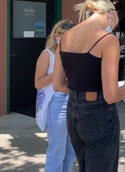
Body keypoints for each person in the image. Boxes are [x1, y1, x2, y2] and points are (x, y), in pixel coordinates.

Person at [52, 0, 125, 172]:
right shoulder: (108, 40)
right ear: (110, 15)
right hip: (98, 114)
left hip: (73, 111)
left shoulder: (65, 37)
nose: (113, 27)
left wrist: (81, 95)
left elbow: (57, 84)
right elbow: (111, 95)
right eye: (114, 23)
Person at [34, 19, 76, 172]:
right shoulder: (47, 55)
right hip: (56, 102)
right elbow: (38, 83)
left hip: (73, 101)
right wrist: (57, 74)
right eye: (62, 36)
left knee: (71, 152)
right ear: (55, 36)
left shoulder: (74, 54)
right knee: (57, 152)